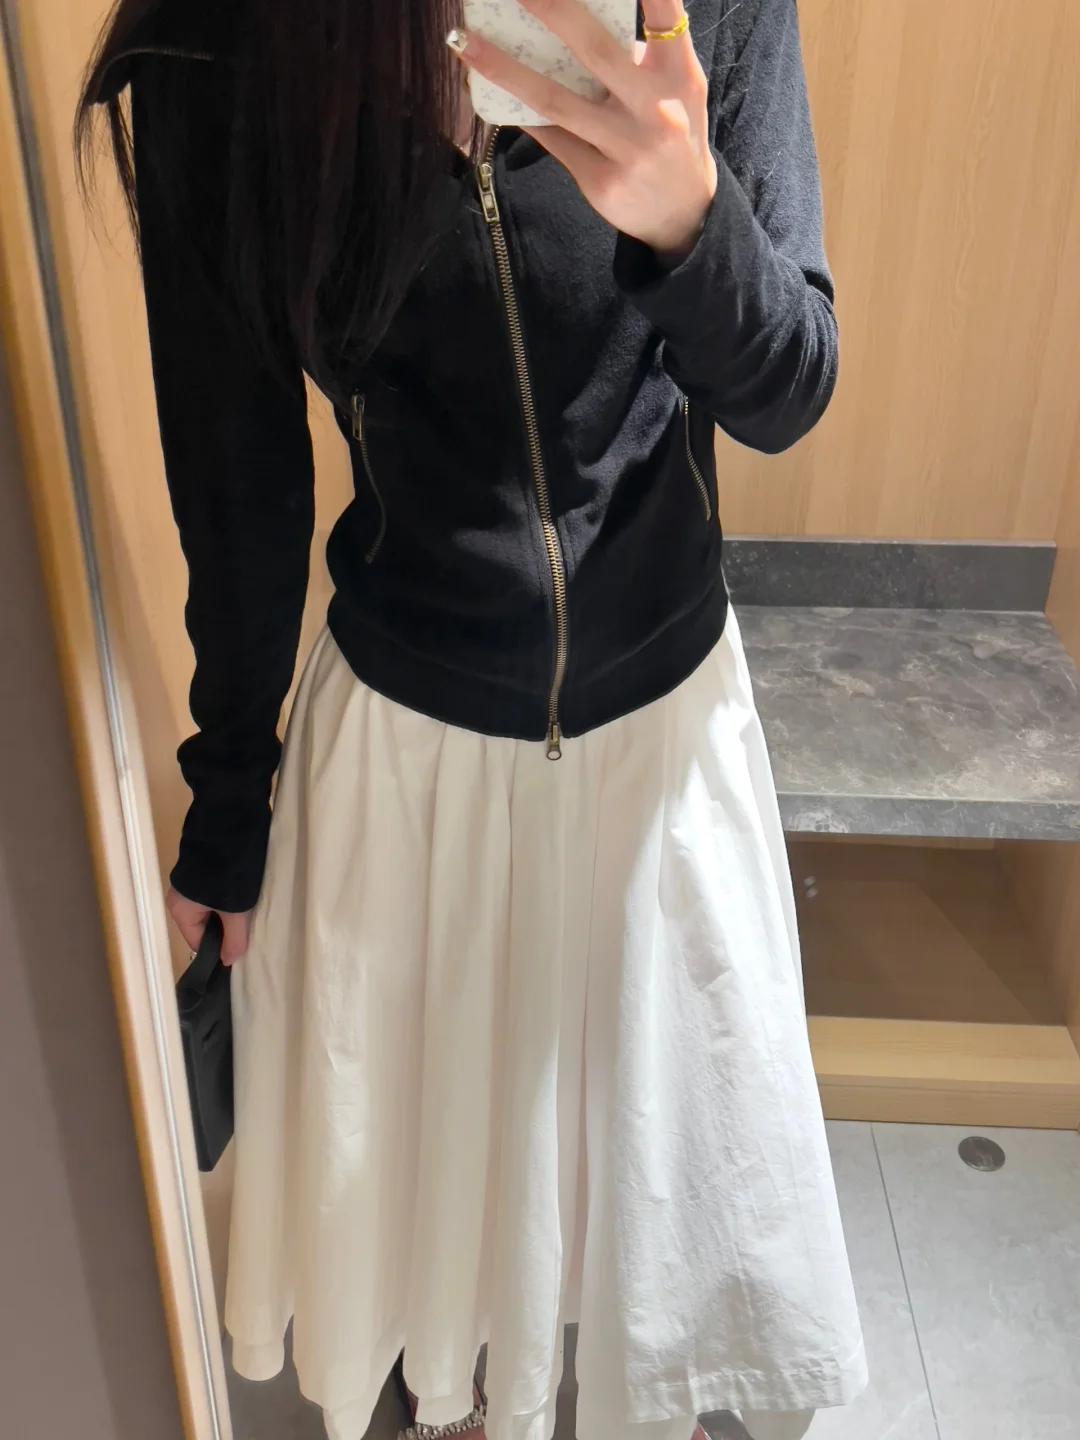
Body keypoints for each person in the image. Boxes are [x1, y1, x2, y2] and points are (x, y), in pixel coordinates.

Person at [79, 1, 866, 1438]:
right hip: (410, 763)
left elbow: (789, 385)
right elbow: (237, 482)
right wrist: (228, 809)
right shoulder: (231, 44)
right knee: (442, 1254)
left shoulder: (696, 9)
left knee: (657, 1219)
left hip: (664, 748)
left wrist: (690, 223)